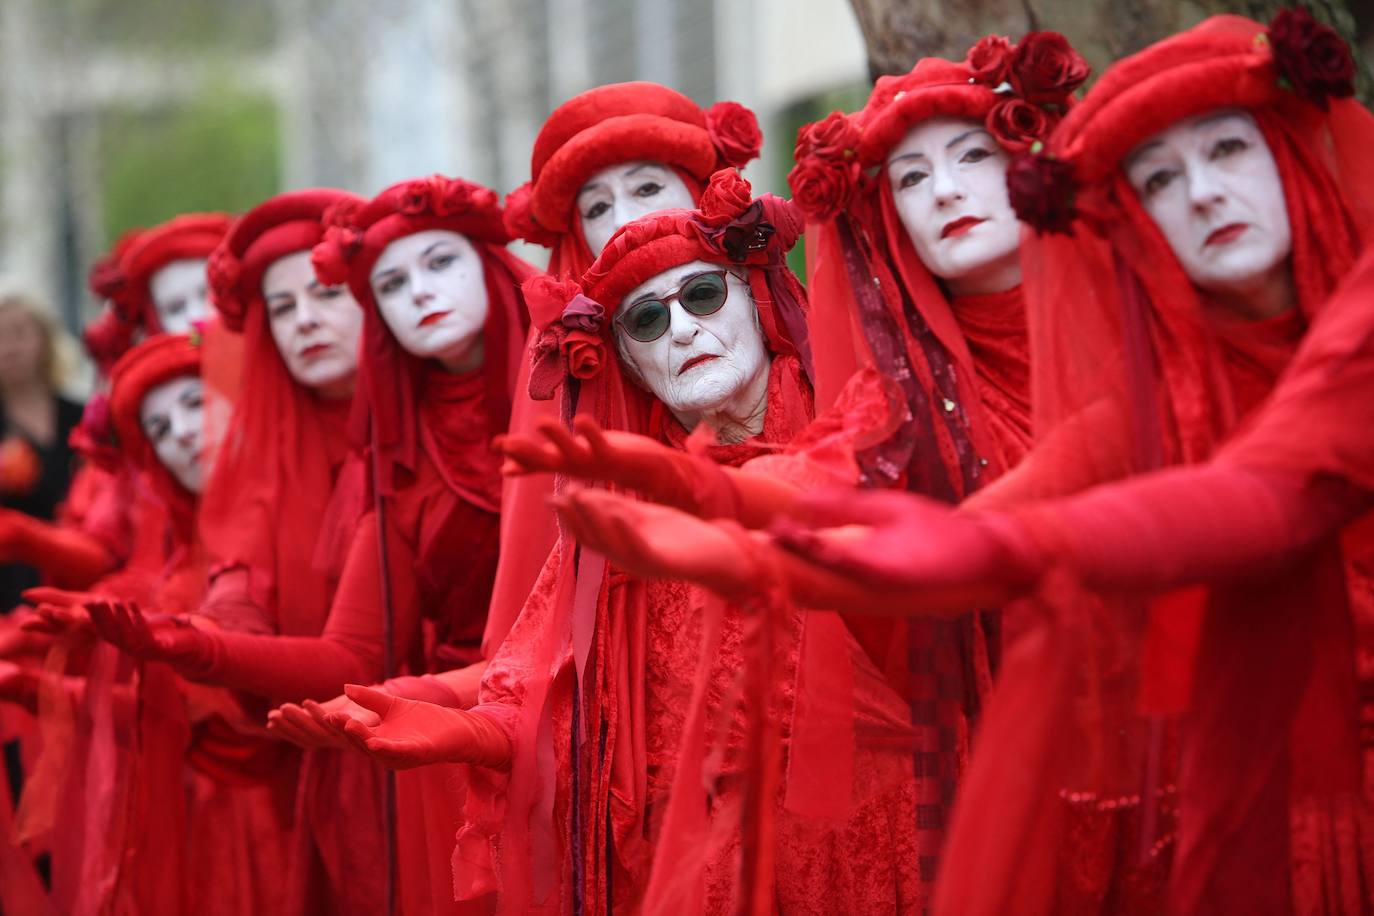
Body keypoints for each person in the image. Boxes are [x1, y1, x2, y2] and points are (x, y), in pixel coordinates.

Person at [552, 11, 1374, 913]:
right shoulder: (945, 385)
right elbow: (881, 471)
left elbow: (1258, 492)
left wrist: (987, 547)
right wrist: (726, 500)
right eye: (1163, 176)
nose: (1204, 196)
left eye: (1226, 152)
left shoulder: (1164, 345)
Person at [325, 171, 924, 914]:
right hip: (712, 876)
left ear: (756, 299)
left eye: (703, 296)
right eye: (645, 322)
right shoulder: (621, 505)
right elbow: (543, 673)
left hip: (893, 844)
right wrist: (456, 726)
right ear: (632, 366)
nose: (679, 329)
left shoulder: (864, 422)